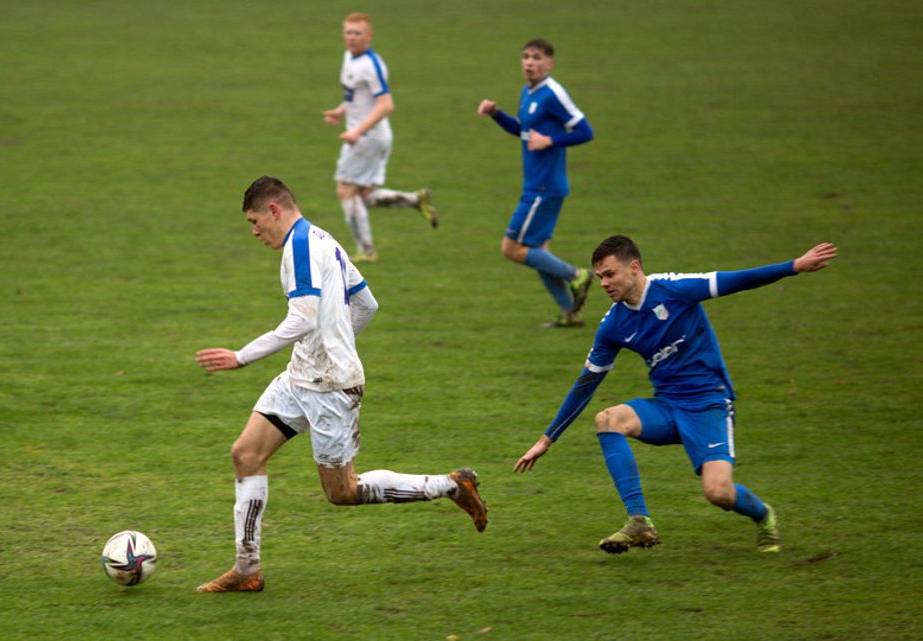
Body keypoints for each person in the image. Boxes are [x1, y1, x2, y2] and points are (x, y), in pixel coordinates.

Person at [194, 176, 488, 592]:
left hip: (331, 387)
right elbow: (367, 303)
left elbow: (303, 319)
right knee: (245, 454)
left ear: (274, 210)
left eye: (254, 221)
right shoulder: (323, 238)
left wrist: (242, 356)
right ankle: (246, 569)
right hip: (301, 376)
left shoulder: (300, 246)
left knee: (343, 491)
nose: (254, 231)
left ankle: (450, 485)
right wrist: (334, 342)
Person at [514, 236, 838, 554]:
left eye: (609, 274)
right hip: (668, 407)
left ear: (634, 268)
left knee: (718, 493)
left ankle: (763, 514)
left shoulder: (675, 289)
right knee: (608, 419)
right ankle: (639, 521)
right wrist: (546, 440)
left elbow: (736, 280)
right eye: (599, 277)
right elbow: (586, 384)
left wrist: (795, 266)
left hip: (709, 403)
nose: (603, 284)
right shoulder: (612, 325)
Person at [477, 38, 594, 328]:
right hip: (537, 185)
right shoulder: (528, 92)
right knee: (536, 251)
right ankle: (569, 313)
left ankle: (577, 274)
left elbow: (585, 130)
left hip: (545, 187)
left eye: (537, 57)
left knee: (512, 248)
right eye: (526, 57)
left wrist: (551, 140)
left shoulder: (553, 93)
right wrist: (496, 115)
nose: (530, 62)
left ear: (549, 63)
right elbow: (524, 130)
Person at [322, 12, 437, 263]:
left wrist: (356, 131)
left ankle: (367, 251)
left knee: (345, 190)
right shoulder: (349, 57)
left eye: (358, 33)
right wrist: (339, 111)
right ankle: (416, 199)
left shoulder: (372, 65)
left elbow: (386, 105)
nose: (352, 38)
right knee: (363, 195)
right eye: (348, 32)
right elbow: (356, 96)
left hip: (368, 137)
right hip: (367, 135)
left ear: (369, 36)